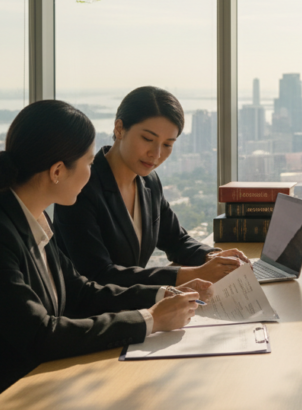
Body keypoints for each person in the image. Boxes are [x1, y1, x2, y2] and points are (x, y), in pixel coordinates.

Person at [0, 100, 211, 405]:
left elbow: (79, 292)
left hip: (37, 379)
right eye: (89, 163)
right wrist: (150, 320)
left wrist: (161, 295)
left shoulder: (32, 217)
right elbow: (40, 336)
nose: (92, 173)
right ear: (58, 171)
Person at [54, 86, 248, 288]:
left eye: (167, 144)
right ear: (119, 129)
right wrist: (192, 275)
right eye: (147, 139)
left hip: (135, 304)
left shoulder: (149, 182)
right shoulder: (81, 187)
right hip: (91, 313)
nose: (156, 154)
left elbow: (176, 240)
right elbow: (99, 274)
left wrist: (212, 256)